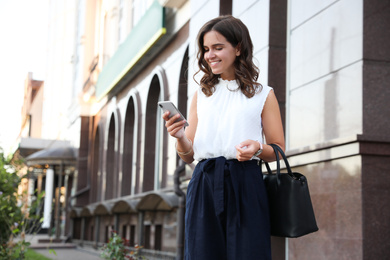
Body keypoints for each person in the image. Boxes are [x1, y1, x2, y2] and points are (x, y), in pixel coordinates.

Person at [163, 15, 285, 260]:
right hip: (204, 182)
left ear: (238, 48)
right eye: (207, 49)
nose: (210, 55)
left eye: (218, 47)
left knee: (248, 254)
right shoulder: (201, 94)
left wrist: (258, 148)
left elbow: (279, 149)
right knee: (202, 253)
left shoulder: (263, 94)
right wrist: (179, 137)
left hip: (246, 182)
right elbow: (188, 155)